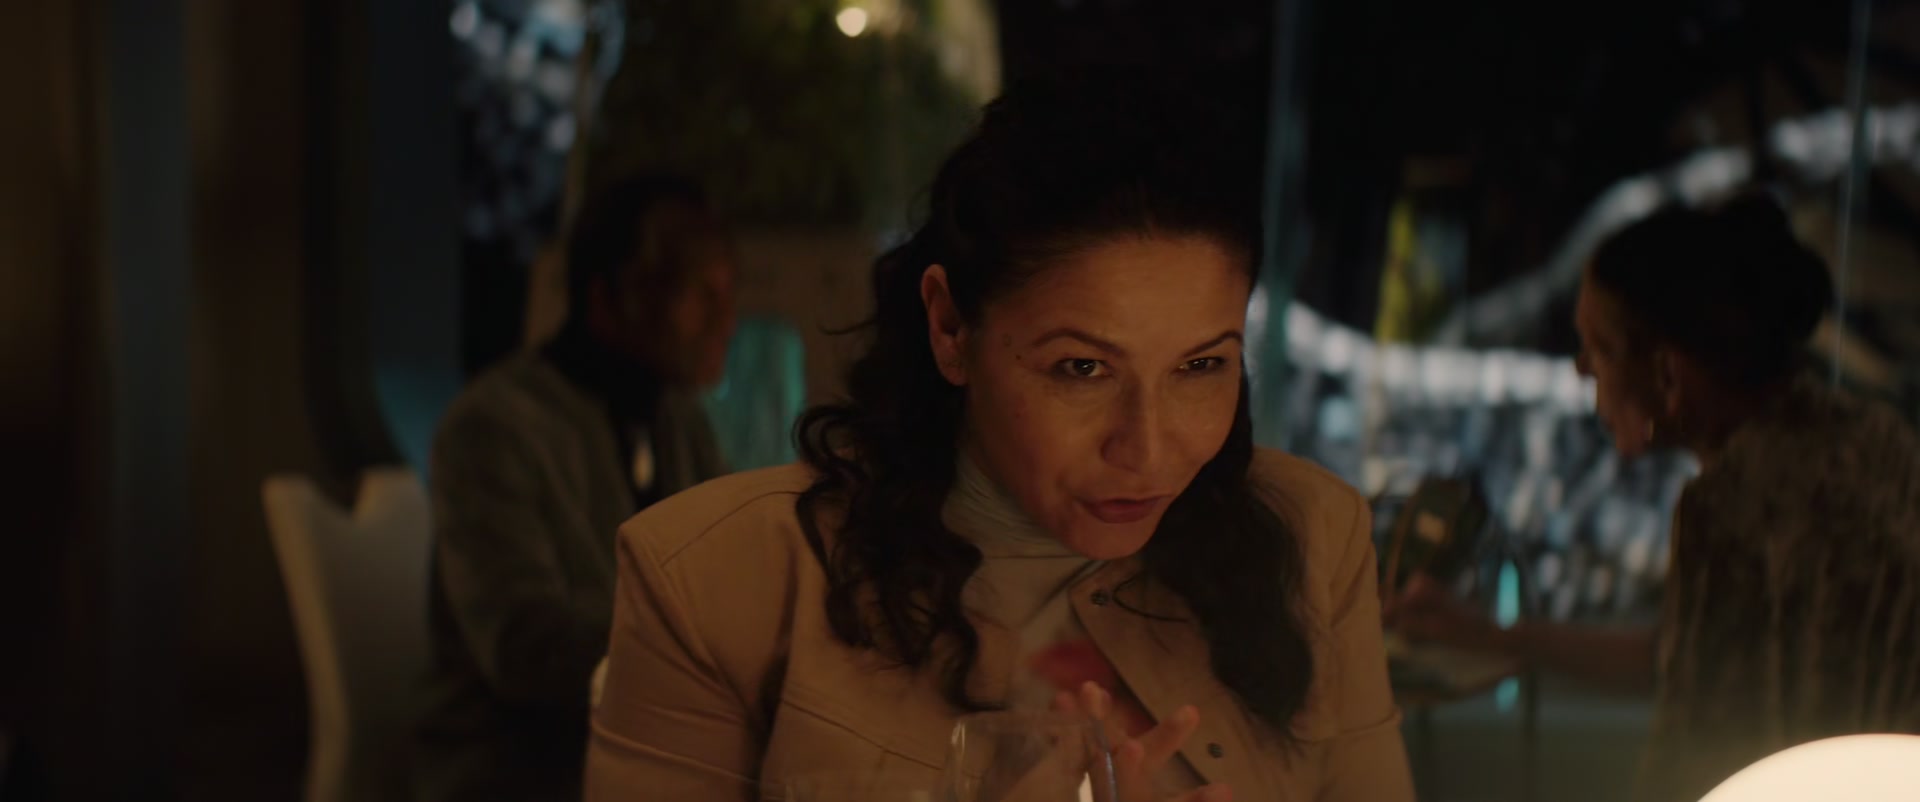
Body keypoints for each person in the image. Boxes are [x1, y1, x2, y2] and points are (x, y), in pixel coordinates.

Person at [584, 74, 1413, 802]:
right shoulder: (718, 583)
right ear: (950, 327)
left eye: (1200, 365)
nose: (1150, 450)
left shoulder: (1313, 536)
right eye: (1082, 369)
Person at [1387, 196, 1920, 802]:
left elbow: (1694, 745)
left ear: (1668, 375)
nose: (1582, 370)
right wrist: (1496, 636)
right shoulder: (1869, 439)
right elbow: (1676, 653)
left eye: (1599, 347)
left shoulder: (1732, 505)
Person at [415, 174, 735, 802]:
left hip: (646, 760)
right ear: (606, 298)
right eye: (696, 293)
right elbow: (521, 644)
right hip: (520, 773)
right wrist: (708, 660)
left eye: (727, 293)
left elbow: (731, 573)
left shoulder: (677, 420)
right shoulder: (493, 428)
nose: (724, 319)